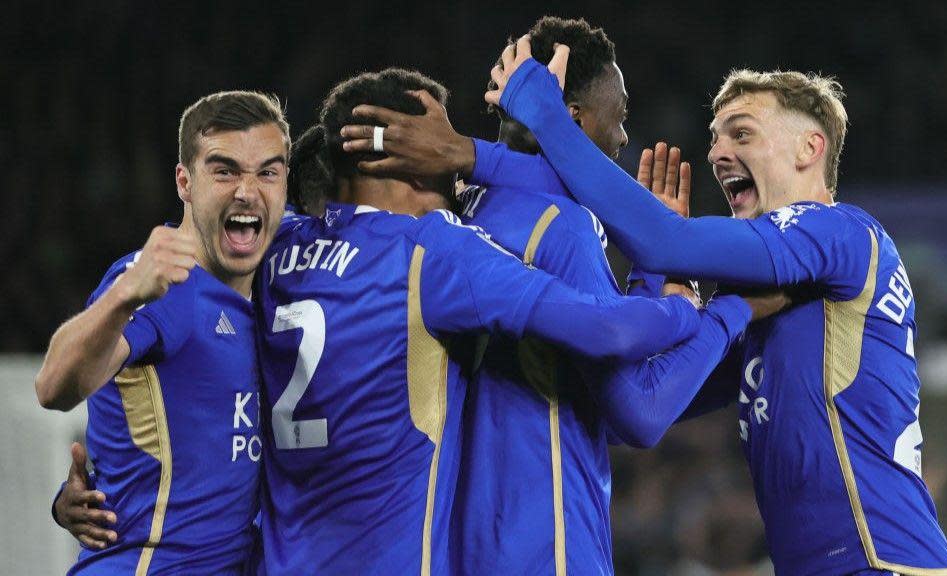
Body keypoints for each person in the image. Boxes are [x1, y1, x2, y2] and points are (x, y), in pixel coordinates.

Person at [477, 41, 947, 575]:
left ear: (809, 148)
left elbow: (666, 237)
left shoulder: (842, 231)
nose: (715, 153)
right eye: (715, 138)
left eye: (742, 133)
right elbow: (638, 407)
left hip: (881, 562)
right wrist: (658, 277)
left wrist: (546, 116)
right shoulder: (769, 304)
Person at [256, 67, 755, 575]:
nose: (452, 169)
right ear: (401, 156)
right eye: (436, 142)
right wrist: (697, 304)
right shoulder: (434, 250)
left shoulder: (276, 246)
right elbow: (620, 361)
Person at [35, 91, 289, 574]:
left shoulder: (277, 277)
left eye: (267, 172)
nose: (247, 190)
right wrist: (127, 292)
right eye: (225, 170)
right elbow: (52, 387)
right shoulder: (166, 286)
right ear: (184, 182)